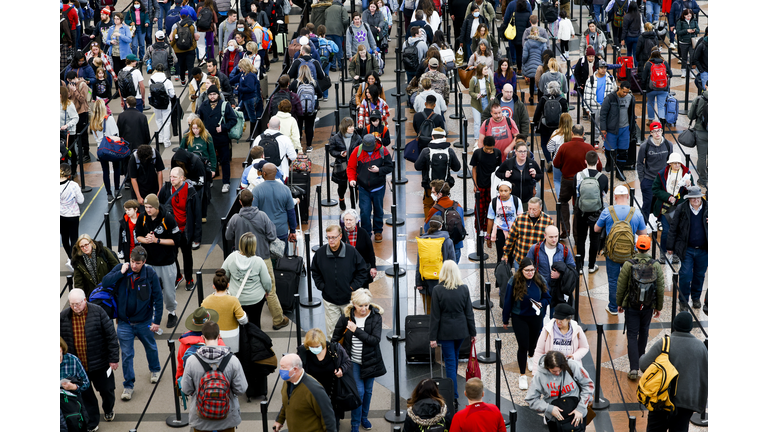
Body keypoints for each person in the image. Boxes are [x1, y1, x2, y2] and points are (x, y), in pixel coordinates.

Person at [101, 246, 163, 400]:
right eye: (132, 261)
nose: (134, 265)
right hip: (124, 323)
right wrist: (120, 272)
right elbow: (105, 282)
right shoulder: (121, 269)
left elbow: (158, 298)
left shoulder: (150, 273)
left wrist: (157, 321)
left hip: (145, 322)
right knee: (127, 355)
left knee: (150, 346)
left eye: (138, 263)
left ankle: (155, 369)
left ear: (144, 262)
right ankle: (128, 386)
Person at [60, 288, 120, 428]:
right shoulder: (63, 317)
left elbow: (111, 337)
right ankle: (93, 423)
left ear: (85, 300)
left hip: (100, 363)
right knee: (86, 396)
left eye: (78, 304)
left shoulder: (98, 312)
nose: (75, 307)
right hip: (79, 366)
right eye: (72, 304)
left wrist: (113, 358)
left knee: (107, 390)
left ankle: (108, 409)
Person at [639, 312, 708, 431]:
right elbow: (704, 376)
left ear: (674, 324)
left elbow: (643, 365)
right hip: (686, 405)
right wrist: (700, 405)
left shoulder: (664, 343)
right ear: (690, 327)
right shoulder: (700, 347)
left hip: (661, 401)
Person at [330, 289, 385, 432]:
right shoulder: (346, 317)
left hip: (371, 361)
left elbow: (374, 340)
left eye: (366, 305)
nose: (364, 308)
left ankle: (364, 418)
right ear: (354, 304)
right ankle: (355, 423)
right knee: (358, 392)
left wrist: (356, 330)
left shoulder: (375, 317)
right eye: (361, 305)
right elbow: (335, 339)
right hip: (353, 361)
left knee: (368, 391)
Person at [181, 321, 248, 432]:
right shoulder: (232, 360)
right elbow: (241, 389)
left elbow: (186, 389)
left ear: (202, 337)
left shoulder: (192, 361)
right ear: (219, 336)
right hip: (227, 419)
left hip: (200, 419)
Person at [615, 235, 665, 380]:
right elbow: (660, 288)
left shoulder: (628, 264)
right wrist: (658, 306)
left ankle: (633, 368)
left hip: (632, 306)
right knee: (644, 332)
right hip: (648, 306)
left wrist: (620, 303)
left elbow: (621, 286)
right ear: (649, 248)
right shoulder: (655, 265)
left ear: (636, 247)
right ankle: (642, 362)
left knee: (631, 335)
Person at [594, 185, 648, 315]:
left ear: (615, 197)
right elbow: (643, 234)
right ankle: (629, 306)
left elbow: (596, 229)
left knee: (613, 280)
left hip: (612, 253)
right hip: (630, 253)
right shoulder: (636, 212)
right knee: (631, 279)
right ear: (628, 196)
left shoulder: (608, 211)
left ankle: (613, 308)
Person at [429, 261, 477, 404]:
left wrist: (432, 337)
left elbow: (435, 316)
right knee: (454, 358)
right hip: (461, 331)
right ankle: (453, 386)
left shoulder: (438, 290)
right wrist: (472, 332)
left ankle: (453, 396)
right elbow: (469, 313)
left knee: (450, 361)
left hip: (446, 332)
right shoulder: (464, 288)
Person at [311, 224, 370, 337]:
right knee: (332, 332)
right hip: (330, 301)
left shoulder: (351, 252)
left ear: (340, 236)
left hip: (349, 300)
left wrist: (353, 287)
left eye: (333, 237)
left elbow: (362, 271)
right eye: (328, 237)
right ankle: (335, 353)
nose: (331, 240)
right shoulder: (320, 253)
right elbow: (315, 271)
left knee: (351, 331)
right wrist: (322, 286)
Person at [502, 257, 552, 389]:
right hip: (520, 317)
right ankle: (522, 375)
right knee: (523, 345)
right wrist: (505, 319)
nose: (530, 273)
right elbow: (508, 301)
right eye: (527, 270)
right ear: (521, 270)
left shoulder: (539, 279)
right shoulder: (514, 281)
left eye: (532, 270)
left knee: (534, 343)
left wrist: (542, 303)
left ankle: (531, 356)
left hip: (536, 316)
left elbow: (548, 297)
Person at [134, 193, 181, 328]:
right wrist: (147, 240)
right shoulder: (142, 218)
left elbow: (176, 241)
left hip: (166, 262)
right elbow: (138, 236)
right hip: (149, 262)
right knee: (150, 291)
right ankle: (153, 314)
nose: (147, 210)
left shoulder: (168, 219)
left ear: (157, 207)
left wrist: (157, 240)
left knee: (169, 292)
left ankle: (172, 312)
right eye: (146, 207)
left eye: (150, 207)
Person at [552, 123, 603, 238]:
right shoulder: (589, 148)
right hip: (582, 182)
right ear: (583, 134)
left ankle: (565, 228)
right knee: (579, 207)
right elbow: (598, 166)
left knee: (563, 202)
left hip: (567, 180)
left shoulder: (564, 146)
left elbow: (555, 164)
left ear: (571, 133)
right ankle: (576, 234)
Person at [297, 328, 352, 432]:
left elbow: (347, 362)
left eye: (317, 346)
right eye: (311, 347)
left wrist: (341, 370)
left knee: (332, 423)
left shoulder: (335, 349)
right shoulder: (304, 351)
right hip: (313, 394)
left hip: (332, 392)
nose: (314, 349)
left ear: (322, 343)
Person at [158, 167, 202, 289]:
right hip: (172, 231)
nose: (171, 179)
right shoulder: (166, 189)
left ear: (182, 178)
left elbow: (197, 214)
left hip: (185, 230)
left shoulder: (191, 192)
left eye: (174, 177)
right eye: (170, 176)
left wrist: (197, 236)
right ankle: (178, 276)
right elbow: (159, 205)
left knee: (187, 256)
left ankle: (189, 279)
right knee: (172, 256)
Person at [526, 351, 595, 428]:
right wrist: (549, 408)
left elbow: (588, 385)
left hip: (577, 416)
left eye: (560, 370)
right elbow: (531, 399)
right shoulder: (539, 375)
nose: (558, 373)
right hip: (554, 420)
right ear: (547, 368)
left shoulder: (573, 366)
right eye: (554, 371)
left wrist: (580, 409)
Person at [347, 134, 394, 242]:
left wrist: (379, 170)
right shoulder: (357, 151)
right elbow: (351, 167)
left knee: (378, 210)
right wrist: (352, 179)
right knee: (364, 211)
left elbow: (390, 166)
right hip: (363, 188)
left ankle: (378, 231)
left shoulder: (383, 151)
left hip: (378, 187)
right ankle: (366, 233)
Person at [274, 353, 338, 432]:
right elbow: (286, 402)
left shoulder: (314, 389)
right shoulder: (288, 381)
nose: (280, 370)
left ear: (295, 369)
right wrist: (279, 420)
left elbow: (328, 417)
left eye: (283, 367)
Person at [221, 231, 273, 329]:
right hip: (256, 299)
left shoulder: (231, 258)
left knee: (237, 324)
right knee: (255, 322)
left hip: (236, 298)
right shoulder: (259, 261)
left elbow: (223, 275)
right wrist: (267, 291)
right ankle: (255, 341)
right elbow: (267, 281)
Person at [666, 185, 707, 309]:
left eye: (698, 198)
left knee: (699, 275)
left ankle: (696, 298)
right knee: (685, 275)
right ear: (688, 198)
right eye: (693, 198)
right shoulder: (681, 208)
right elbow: (673, 228)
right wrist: (670, 246)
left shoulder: (709, 207)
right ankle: (683, 301)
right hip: (687, 248)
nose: (696, 200)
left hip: (703, 249)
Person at [574, 151, 609, 274]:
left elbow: (576, 193)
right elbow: (604, 193)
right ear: (598, 162)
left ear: (585, 161)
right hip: (596, 212)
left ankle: (579, 268)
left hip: (581, 211)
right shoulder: (603, 177)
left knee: (581, 239)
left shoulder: (578, 175)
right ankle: (591, 266)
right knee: (594, 239)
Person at [651, 153, 692, 256]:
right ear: (670, 164)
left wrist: (689, 185)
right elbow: (655, 189)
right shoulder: (661, 174)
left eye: (679, 163)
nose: (677, 165)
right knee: (665, 232)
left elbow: (692, 192)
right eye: (675, 163)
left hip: (680, 208)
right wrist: (668, 197)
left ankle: (676, 254)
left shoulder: (687, 174)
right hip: (665, 208)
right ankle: (663, 253)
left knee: (679, 231)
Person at [414, 128, 462, 216]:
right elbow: (457, 167)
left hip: (429, 185)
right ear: (444, 137)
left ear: (432, 137)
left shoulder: (426, 151)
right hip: (445, 186)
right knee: (444, 205)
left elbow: (417, 166)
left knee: (428, 204)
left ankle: (429, 225)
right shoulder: (449, 151)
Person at [532, 303, 589, 374]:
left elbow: (584, 347)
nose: (558, 321)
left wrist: (574, 356)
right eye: (557, 318)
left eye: (561, 319)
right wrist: (535, 372)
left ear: (569, 319)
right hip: (551, 371)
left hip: (570, 370)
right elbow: (539, 351)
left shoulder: (577, 330)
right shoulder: (547, 330)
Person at [251, 163, 298, 249]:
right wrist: (292, 230)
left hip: (264, 232)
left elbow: (253, 213)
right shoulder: (285, 189)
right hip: (281, 231)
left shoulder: (256, 190)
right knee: (281, 260)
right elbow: (291, 212)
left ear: (264, 174)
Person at [416, 216, 457, 313]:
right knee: (444, 310)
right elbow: (452, 263)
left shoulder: (423, 241)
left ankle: (431, 326)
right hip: (444, 281)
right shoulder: (447, 240)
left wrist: (418, 282)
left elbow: (419, 262)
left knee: (430, 311)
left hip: (426, 281)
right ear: (441, 226)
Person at [201, 269, 249, 351]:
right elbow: (243, 320)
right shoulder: (233, 300)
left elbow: (203, 321)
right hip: (232, 337)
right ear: (228, 285)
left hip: (213, 338)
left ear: (214, 286)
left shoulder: (206, 301)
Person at [502, 197, 554, 268]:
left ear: (540, 208)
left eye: (534, 209)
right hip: (521, 259)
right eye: (529, 208)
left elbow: (552, 240)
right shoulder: (520, 219)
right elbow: (511, 238)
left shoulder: (548, 220)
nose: (531, 211)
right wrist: (505, 254)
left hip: (539, 261)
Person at [637, 121, 673, 221]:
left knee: (663, 204)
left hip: (663, 180)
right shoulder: (645, 146)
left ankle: (660, 224)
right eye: (654, 131)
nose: (657, 133)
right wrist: (642, 179)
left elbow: (671, 162)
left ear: (662, 131)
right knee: (647, 204)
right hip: (648, 179)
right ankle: (643, 228)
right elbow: (639, 163)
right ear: (651, 133)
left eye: (659, 131)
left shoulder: (668, 144)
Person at [599, 81, 636, 173]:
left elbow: (631, 114)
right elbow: (603, 114)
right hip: (611, 129)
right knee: (609, 149)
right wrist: (603, 129)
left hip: (625, 128)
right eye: (624, 92)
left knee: (623, 151)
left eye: (627, 92)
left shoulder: (630, 98)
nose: (625, 94)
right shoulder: (610, 98)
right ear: (619, 88)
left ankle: (620, 171)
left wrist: (632, 128)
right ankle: (609, 162)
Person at [425, 180, 467, 261]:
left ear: (440, 194)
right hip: (456, 246)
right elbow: (462, 226)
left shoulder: (434, 209)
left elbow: (427, 228)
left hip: (441, 247)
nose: (432, 194)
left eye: (433, 192)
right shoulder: (458, 206)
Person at [329, 117, 363, 211]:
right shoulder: (336, 138)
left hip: (354, 166)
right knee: (342, 187)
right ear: (345, 127)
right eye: (350, 126)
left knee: (353, 187)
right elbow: (331, 150)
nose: (352, 128)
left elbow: (361, 149)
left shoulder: (357, 137)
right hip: (342, 165)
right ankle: (341, 199)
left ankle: (353, 207)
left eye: (352, 126)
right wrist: (340, 154)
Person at [71, 234, 120, 298]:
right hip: (92, 295)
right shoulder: (78, 261)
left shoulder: (103, 251)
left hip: (109, 290)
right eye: (82, 246)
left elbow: (116, 266)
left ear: (91, 243)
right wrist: (81, 297)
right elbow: (79, 283)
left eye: (86, 245)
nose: (84, 248)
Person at [533, 81, 569, 166]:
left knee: (544, 144)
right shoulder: (563, 100)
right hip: (558, 126)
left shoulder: (543, 99)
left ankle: (549, 161)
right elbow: (565, 114)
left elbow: (537, 113)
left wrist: (535, 123)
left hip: (545, 125)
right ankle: (554, 160)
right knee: (556, 144)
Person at [341, 209, 378, 289]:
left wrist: (373, 267)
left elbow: (370, 251)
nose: (348, 222)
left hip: (361, 270)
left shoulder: (363, 233)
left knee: (362, 295)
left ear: (356, 221)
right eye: (346, 220)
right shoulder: (340, 234)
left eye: (350, 220)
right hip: (346, 271)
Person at [117, 96, 152, 178]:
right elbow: (146, 131)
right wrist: (147, 143)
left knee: (127, 161)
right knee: (139, 161)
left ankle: (127, 179)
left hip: (126, 144)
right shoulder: (142, 116)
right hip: (139, 143)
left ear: (127, 104)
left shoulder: (121, 116)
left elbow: (119, 130)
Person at [583, 60, 617, 137]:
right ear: (597, 69)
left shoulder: (610, 78)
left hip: (607, 107)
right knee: (595, 126)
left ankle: (606, 143)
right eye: (601, 67)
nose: (603, 69)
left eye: (605, 67)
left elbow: (614, 93)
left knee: (607, 125)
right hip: (594, 107)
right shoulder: (591, 80)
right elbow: (587, 95)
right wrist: (587, 109)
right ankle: (595, 141)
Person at [61, 163, 84, 267]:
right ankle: (73, 260)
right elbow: (81, 200)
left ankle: (70, 258)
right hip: (73, 215)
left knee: (64, 237)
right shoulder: (73, 185)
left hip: (60, 215)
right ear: (69, 174)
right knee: (74, 238)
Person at [169, 7, 199, 85]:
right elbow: (196, 37)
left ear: (180, 16)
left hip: (179, 50)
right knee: (190, 67)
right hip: (190, 49)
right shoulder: (192, 25)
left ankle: (182, 80)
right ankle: (191, 82)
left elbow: (171, 38)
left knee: (181, 66)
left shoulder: (175, 25)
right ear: (188, 16)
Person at [641, 50, 672, 127]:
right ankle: (661, 120)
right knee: (661, 105)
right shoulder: (664, 63)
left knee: (650, 103)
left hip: (651, 88)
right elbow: (670, 74)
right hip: (663, 88)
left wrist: (643, 88)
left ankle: (650, 120)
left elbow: (644, 78)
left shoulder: (648, 64)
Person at [687, 80, 708, 188]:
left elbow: (691, 116)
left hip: (701, 131)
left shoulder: (699, 98)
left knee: (701, 156)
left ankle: (703, 179)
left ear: (705, 86)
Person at [522, 26, 548, 104]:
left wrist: (524, 63)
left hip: (530, 65)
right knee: (539, 82)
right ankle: (540, 99)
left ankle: (531, 97)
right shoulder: (542, 43)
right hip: (539, 65)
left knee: (532, 82)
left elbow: (525, 56)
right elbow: (544, 55)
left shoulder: (527, 43)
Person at [468, 65, 494, 141]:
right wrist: (476, 95)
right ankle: (477, 139)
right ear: (480, 70)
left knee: (486, 120)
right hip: (476, 102)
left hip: (486, 100)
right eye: (485, 69)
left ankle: (487, 138)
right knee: (477, 122)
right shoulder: (474, 79)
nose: (487, 71)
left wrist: (492, 95)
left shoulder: (489, 78)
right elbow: (470, 92)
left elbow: (493, 89)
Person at [106, 12, 133, 77]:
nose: (116, 20)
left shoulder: (125, 28)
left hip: (124, 54)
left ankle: (124, 87)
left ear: (121, 19)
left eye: (117, 19)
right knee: (116, 72)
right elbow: (107, 40)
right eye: (115, 19)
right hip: (114, 53)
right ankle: (118, 86)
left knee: (124, 73)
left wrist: (120, 35)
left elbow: (129, 40)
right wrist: (111, 42)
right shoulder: (111, 28)